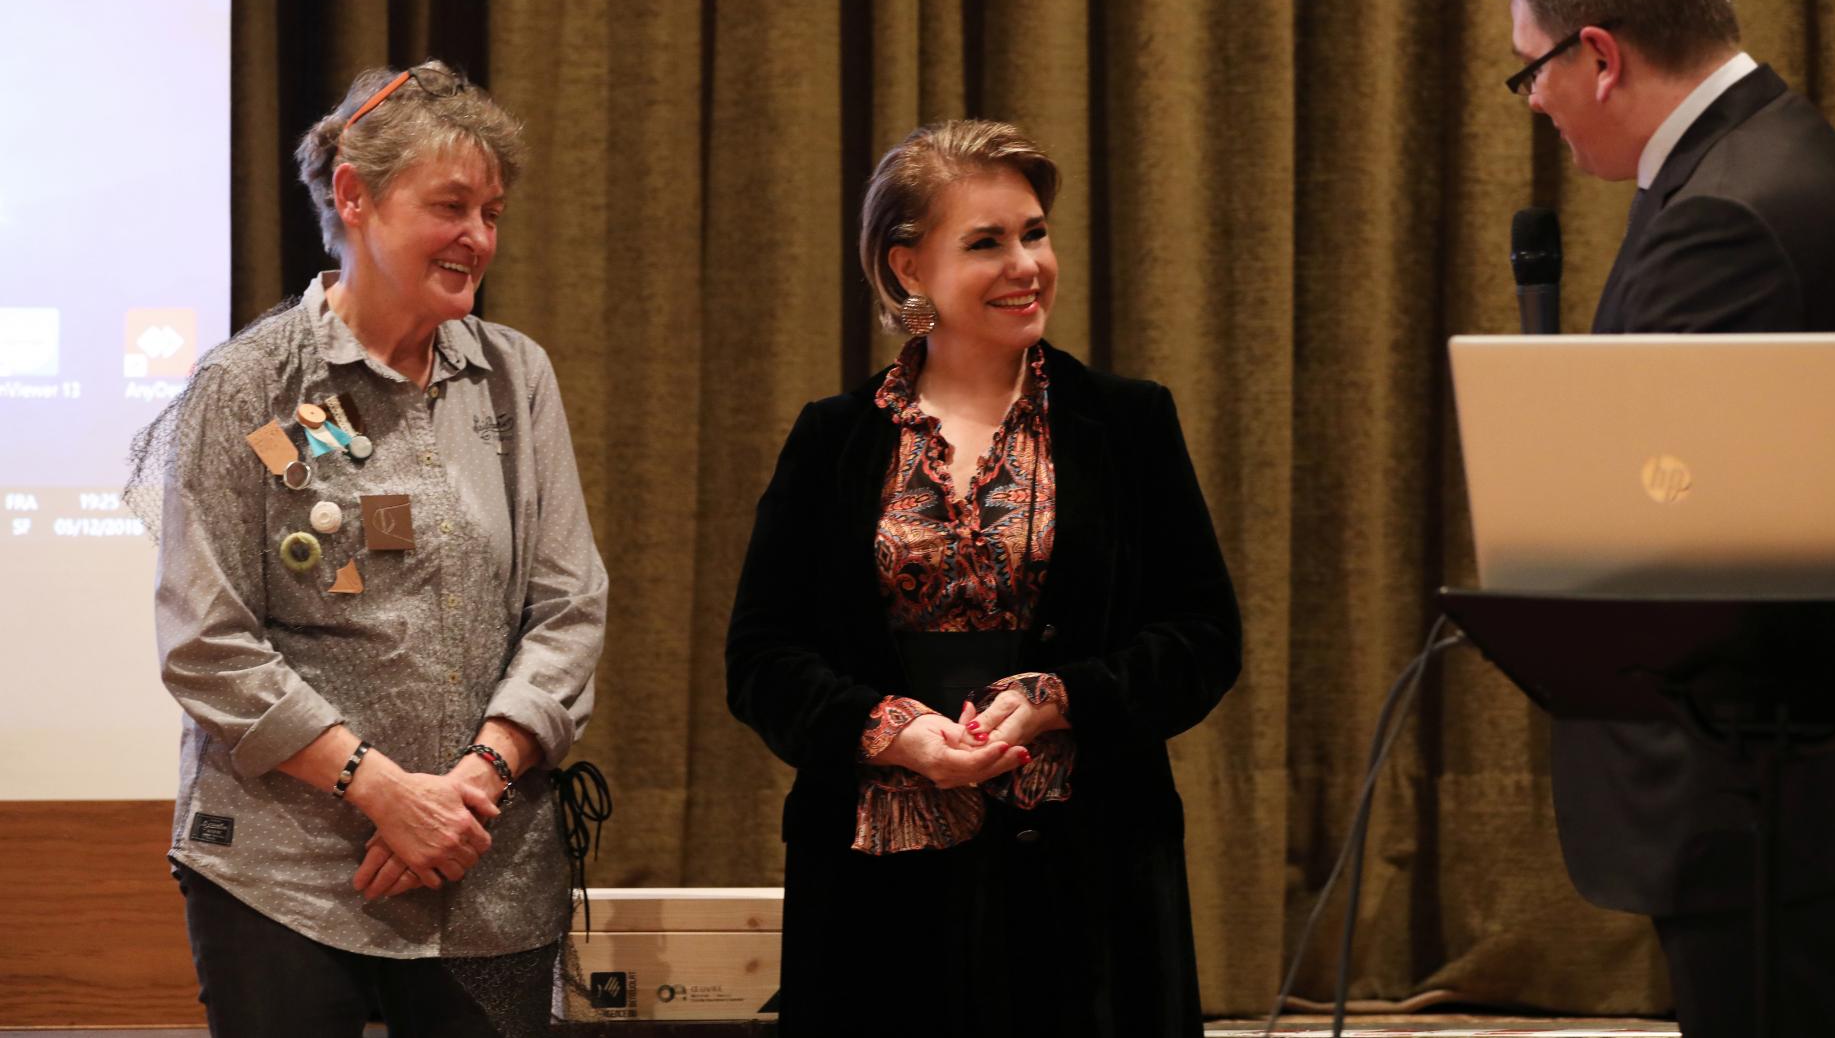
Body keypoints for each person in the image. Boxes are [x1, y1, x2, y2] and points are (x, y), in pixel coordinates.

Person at [1495, 0, 1835, 1037]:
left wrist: (1546, 488)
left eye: (1529, 73)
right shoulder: (1766, 155)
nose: (1534, 105)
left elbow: (1680, 524)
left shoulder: (1729, 213)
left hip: (1779, 799)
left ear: (1597, 54)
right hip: (1811, 788)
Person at [725, 120, 1241, 1037]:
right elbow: (762, 660)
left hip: (1089, 881)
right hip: (876, 896)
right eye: (987, 242)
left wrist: (1060, 697)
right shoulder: (831, 438)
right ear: (907, 268)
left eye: (1034, 233)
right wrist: (892, 732)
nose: (1026, 265)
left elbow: (1203, 637)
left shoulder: (1127, 423)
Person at [130, 62, 609, 1038]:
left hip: (484, 870)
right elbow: (206, 640)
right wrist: (383, 791)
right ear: (354, 197)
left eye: (492, 211)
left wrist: (465, 787)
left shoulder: (518, 377)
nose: (477, 235)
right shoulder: (245, 386)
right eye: (450, 205)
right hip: (282, 879)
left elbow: (569, 607)